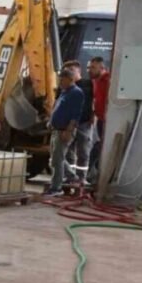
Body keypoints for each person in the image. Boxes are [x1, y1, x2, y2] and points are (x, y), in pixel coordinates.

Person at [45, 68, 85, 196]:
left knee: (57, 160)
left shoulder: (76, 93)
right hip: (56, 129)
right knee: (56, 158)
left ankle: (56, 188)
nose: (60, 81)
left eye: (62, 79)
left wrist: (68, 131)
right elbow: (58, 108)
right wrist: (51, 122)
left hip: (64, 130)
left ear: (70, 79)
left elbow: (75, 115)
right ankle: (73, 176)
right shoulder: (64, 92)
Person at [61, 60, 94, 186]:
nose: (70, 74)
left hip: (84, 123)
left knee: (84, 151)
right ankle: (70, 177)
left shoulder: (88, 84)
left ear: (78, 71)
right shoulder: (65, 87)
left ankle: (81, 178)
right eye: (67, 72)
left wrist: (93, 114)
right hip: (68, 124)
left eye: (72, 71)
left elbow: (95, 100)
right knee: (68, 151)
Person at [88, 56, 110, 180]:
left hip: (108, 120)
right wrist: (93, 113)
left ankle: (94, 172)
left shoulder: (108, 79)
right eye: (90, 67)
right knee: (99, 144)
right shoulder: (95, 81)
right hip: (100, 119)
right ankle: (93, 173)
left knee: (100, 145)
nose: (90, 70)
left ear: (102, 68)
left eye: (93, 68)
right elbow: (96, 99)